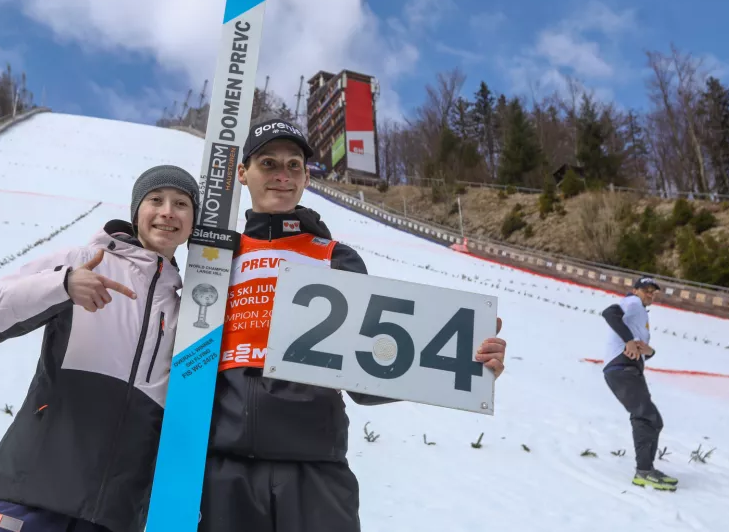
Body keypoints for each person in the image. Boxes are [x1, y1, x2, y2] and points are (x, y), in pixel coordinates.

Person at [198, 118, 508, 532]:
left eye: (294, 166)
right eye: (269, 163)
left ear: (307, 176)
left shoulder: (334, 257)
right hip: (223, 470)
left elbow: (369, 373)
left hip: (315, 473)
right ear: (243, 172)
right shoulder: (216, 260)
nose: (282, 175)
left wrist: (468, 361)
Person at [0, 165, 201, 532]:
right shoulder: (82, 262)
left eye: (181, 203)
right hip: (32, 491)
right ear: (137, 211)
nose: (168, 211)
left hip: (111, 515)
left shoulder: (186, 311)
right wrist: (62, 286)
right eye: (156, 200)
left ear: (193, 221)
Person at [601, 276, 677, 491]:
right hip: (621, 369)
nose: (650, 294)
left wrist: (649, 351)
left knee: (653, 420)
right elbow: (610, 313)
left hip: (629, 370)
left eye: (653, 291)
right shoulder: (632, 303)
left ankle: (647, 469)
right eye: (646, 290)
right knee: (647, 417)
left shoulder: (640, 313)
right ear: (635, 290)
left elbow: (639, 350)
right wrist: (627, 341)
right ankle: (643, 472)